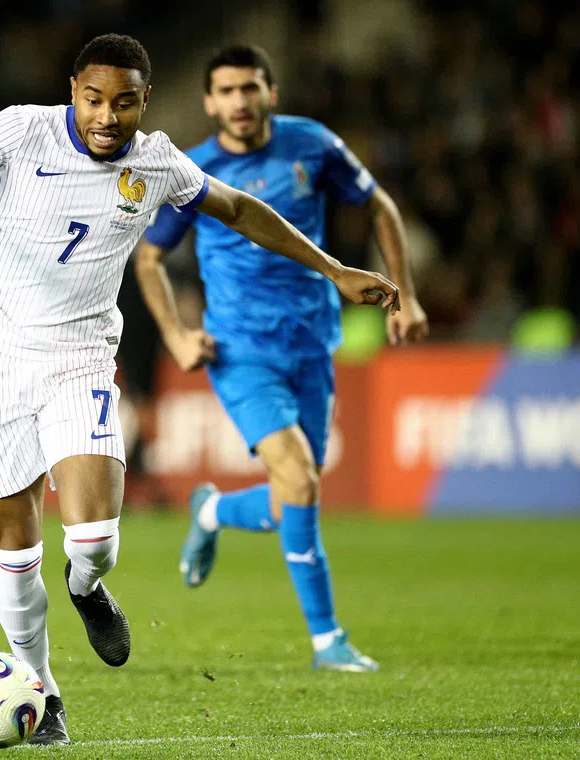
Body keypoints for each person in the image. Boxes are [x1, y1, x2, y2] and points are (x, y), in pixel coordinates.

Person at [0, 34, 399, 745]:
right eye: (94, 99)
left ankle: (87, 587)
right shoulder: (23, 129)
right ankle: (46, 698)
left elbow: (241, 211)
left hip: (80, 361)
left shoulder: (156, 161)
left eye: (124, 103)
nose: (106, 117)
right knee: (13, 551)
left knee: (93, 541)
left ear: (143, 101)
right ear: (73, 92)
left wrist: (335, 269)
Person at [135, 45, 429, 672]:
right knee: (299, 477)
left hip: (313, 344)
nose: (239, 101)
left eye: (250, 88)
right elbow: (149, 257)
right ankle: (328, 640)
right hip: (239, 351)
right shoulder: (193, 171)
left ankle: (211, 510)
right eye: (226, 91)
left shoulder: (313, 145)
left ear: (271, 92)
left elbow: (379, 206)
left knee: (295, 491)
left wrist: (406, 295)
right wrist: (178, 335)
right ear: (209, 101)